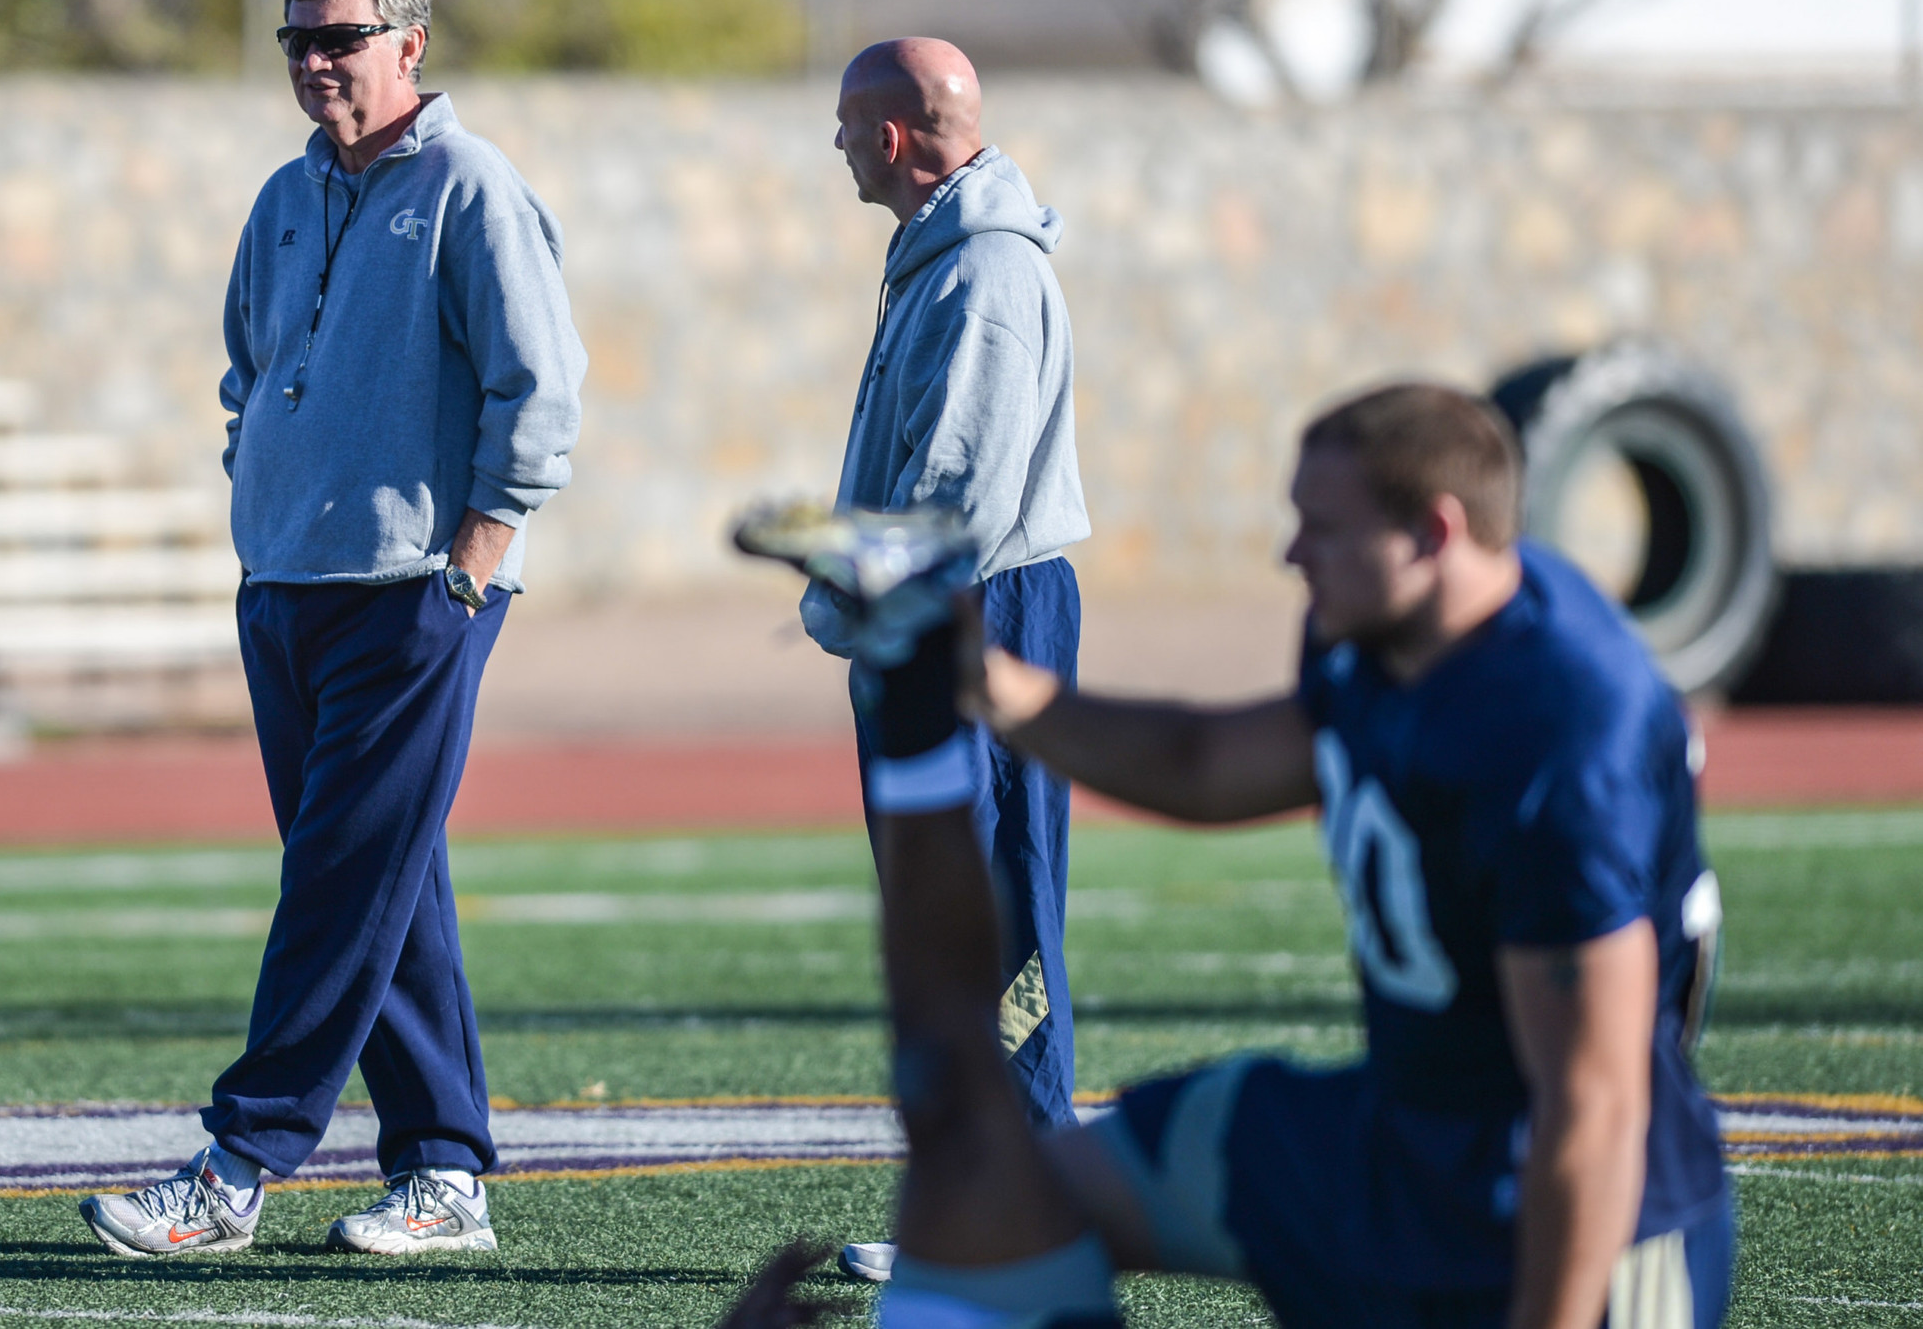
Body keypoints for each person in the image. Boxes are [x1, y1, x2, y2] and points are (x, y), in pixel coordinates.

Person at [733, 382, 1730, 1329]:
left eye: (1324, 528)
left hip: (1579, 1219)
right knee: (995, 1183)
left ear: (1434, 532)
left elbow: (1592, 1105)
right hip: (1398, 1137)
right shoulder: (1385, 634)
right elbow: (1207, 762)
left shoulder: (1560, 729)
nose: (1290, 552)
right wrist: (983, 682)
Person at [81, 0, 586, 1261]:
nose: (315, 60)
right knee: (384, 876)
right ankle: (443, 1169)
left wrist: (471, 562)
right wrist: (257, 501)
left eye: (340, 37)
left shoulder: (473, 188)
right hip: (287, 586)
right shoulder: (286, 195)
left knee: (340, 873)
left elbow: (540, 390)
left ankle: (239, 1159)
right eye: (297, 39)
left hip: (413, 587)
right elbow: (247, 368)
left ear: (408, 45)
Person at [806, 38, 1092, 1284]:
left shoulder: (982, 270)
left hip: (976, 614)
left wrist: (869, 603)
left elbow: (958, 495)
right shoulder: (940, 251)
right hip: (945, 612)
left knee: (994, 905)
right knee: (950, 909)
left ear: (893, 136)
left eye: (844, 125)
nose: (834, 146)